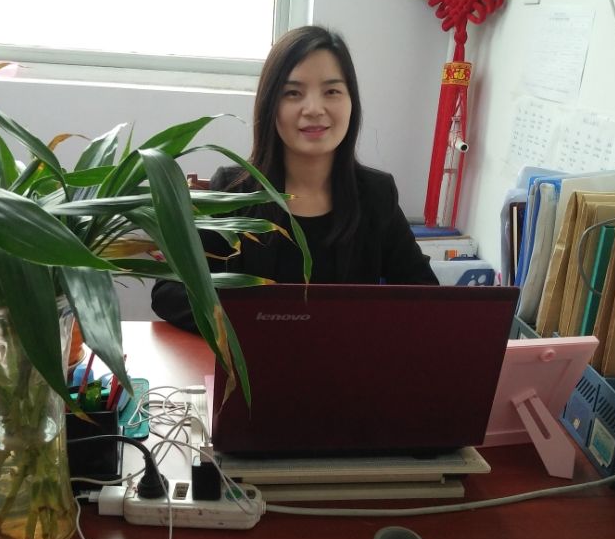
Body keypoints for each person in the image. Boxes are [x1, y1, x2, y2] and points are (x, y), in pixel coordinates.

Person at [151, 25, 437, 331]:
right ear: (270, 105)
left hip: (348, 359)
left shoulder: (376, 195)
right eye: (293, 93)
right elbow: (170, 291)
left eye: (331, 91)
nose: (313, 109)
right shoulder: (233, 191)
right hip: (254, 359)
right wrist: (260, 322)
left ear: (351, 101)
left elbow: (426, 296)